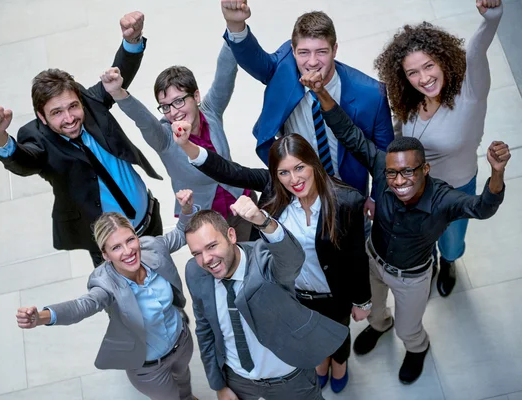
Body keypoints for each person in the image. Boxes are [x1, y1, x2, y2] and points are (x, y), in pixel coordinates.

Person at [302, 72, 510, 384]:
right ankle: (379, 325)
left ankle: (418, 349)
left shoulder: (443, 198)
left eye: (409, 172)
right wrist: (321, 93)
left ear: (425, 169)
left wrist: (496, 173)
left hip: (412, 277)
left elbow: (482, 207)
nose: (399, 181)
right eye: (393, 173)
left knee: (408, 328)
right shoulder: (383, 168)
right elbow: (348, 133)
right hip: (374, 261)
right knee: (373, 312)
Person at [173, 124, 370, 393]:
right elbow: (228, 170)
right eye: (284, 172)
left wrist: (362, 300)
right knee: (305, 334)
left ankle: (340, 363)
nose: (294, 179)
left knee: (337, 332)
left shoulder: (346, 201)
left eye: (300, 167)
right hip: (291, 290)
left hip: (332, 291)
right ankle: (320, 364)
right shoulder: (272, 191)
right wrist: (186, 145)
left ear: (313, 163)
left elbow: (357, 258)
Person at [0, 12, 163, 267]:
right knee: (127, 304)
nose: (69, 118)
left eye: (72, 106)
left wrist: (132, 41)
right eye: (56, 112)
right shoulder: (37, 138)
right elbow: (24, 161)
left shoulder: (90, 103)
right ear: (41, 117)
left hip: (149, 220)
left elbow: (120, 76)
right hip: (111, 250)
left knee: (169, 289)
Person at [219, 0, 395, 223]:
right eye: (303, 52)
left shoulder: (371, 95)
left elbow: (385, 156)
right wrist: (236, 25)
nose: (312, 62)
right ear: (293, 50)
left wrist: (377, 198)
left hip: (347, 189)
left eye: (321, 52)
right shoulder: (284, 67)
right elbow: (256, 60)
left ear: (335, 50)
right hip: (297, 186)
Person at [373, 0, 503, 297]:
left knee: (452, 239)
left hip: (455, 187)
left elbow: (476, 50)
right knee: (419, 236)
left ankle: (448, 263)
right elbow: (398, 134)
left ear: (444, 60)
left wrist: (492, 17)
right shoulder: (411, 99)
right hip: (414, 187)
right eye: (413, 73)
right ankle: (429, 261)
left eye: (429, 65)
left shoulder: (470, 93)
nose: (424, 78)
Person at [16, 190, 199, 400]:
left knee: (184, 379)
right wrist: (41, 317)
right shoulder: (105, 283)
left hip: (181, 341)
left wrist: (186, 209)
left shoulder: (152, 247)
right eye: (116, 247)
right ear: (105, 255)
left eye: (130, 240)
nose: (128, 251)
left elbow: (179, 234)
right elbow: (81, 306)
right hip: (149, 368)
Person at [184, 199, 350, 400]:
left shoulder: (264, 258)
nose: (206, 259)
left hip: (290, 379)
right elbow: (205, 330)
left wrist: (262, 221)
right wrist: (218, 385)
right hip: (238, 380)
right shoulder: (195, 272)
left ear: (231, 235)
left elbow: (292, 259)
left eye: (212, 246)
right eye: (197, 253)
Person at [99, 42, 256, 241]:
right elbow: (143, 119)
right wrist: (118, 93)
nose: (173, 112)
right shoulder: (164, 138)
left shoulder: (210, 112)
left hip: (241, 204)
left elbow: (224, 76)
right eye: (165, 106)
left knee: (258, 259)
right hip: (205, 222)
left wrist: (234, 31)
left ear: (196, 96)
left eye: (179, 101)